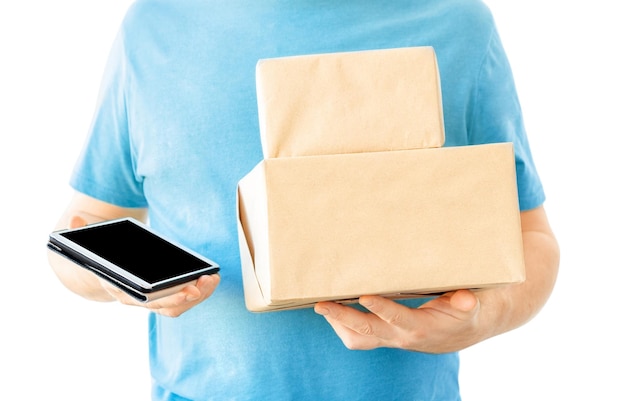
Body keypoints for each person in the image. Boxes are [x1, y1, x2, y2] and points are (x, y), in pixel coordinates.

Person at [47, 0, 560, 400]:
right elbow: (83, 224)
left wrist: (484, 316)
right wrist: (114, 277)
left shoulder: (457, 23)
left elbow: (530, 234)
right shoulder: (154, 26)